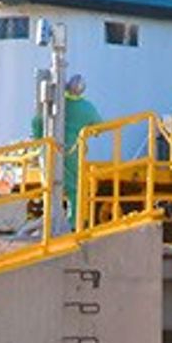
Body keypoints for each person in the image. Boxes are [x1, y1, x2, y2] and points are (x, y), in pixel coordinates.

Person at [59, 71, 100, 229]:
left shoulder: (59, 103)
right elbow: (98, 126)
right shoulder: (86, 107)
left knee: (49, 186)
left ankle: (49, 218)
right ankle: (73, 223)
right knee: (75, 188)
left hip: (50, 147)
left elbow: (37, 121)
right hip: (73, 150)